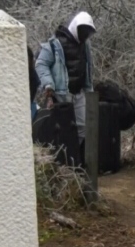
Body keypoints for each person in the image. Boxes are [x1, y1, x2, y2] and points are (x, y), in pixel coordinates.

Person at [35, 12, 96, 148]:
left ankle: (75, 159)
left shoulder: (85, 45)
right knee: (62, 128)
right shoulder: (54, 44)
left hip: (79, 93)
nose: (85, 35)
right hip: (61, 94)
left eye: (87, 32)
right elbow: (41, 63)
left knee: (82, 128)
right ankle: (64, 161)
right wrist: (48, 84)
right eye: (83, 31)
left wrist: (89, 88)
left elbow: (87, 66)